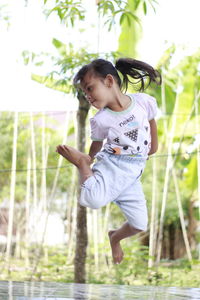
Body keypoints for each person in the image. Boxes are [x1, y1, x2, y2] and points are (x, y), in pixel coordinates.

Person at [56, 58, 161, 264]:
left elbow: (151, 124)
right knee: (91, 200)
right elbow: (96, 144)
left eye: (90, 88)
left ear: (109, 81)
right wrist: (87, 159)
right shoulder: (101, 119)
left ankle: (115, 237)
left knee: (140, 224)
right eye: (85, 92)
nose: (88, 96)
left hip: (132, 176)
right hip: (112, 165)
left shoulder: (142, 102)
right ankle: (82, 166)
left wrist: (153, 147)